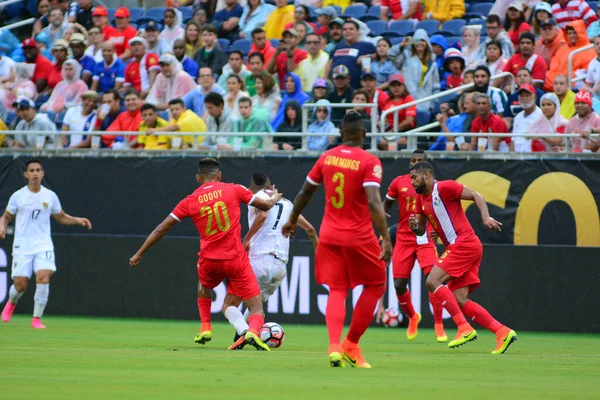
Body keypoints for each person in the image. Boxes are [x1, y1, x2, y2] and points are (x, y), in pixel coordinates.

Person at [129, 158, 282, 350]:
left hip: (209, 260)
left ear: (198, 178)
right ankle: (252, 331)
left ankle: (205, 327)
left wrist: (140, 253)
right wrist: (274, 198)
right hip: (236, 259)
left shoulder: (190, 200)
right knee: (256, 306)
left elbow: (161, 228)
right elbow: (265, 206)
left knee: (203, 285)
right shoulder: (234, 189)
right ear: (219, 175)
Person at [282, 111, 392, 368]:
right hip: (359, 236)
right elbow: (375, 203)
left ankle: (333, 347)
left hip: (330, 234)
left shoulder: (327, 158)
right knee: (376, 284)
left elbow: (304, 192)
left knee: (338, 289)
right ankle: (350, 344)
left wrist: (292, 218)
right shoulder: (369, 161)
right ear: (364, 134)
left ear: (341, 133)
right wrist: (386, 237)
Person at [408, 161, 517, 354]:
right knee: (459, 299)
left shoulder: (445, 187)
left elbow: (477, 195)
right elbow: (421, 231)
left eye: (414, 177)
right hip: (464, 247)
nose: (412, 182)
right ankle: (502, 332)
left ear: (426, 175)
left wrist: (485, 217)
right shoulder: (420, 200)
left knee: (432, 281)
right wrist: (415, 227)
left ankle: (464, 328)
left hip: (464, 243)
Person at [227, 173, 318, 349]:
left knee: (229, 305)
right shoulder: (289, 205)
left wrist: (247, 238)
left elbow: (261, 216)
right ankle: (243, 335)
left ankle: (244, 332)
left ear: (251, 188)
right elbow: (311, 230)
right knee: (256, 306)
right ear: (271, 186)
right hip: (280, 266)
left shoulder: (257, 197)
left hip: (259, 259)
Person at [0, 160, 92, 328]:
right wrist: (2, 226)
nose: (35, 173)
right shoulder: (18, 196)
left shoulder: (49, 196)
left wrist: (77, 220)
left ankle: (36, 319)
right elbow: (6, 216)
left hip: (43, 245)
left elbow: (60, 216)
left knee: (43, 277)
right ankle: (11, 303)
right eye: (31, 170)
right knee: (20, 284)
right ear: (26, 174)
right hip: (23, 245)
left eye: (38, 170)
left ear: (42, 174)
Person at [381, 150, 447, 341]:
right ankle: (412, 317)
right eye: (413, 161)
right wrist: (381, 218)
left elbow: (443, 211)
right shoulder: (398, 182)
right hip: (403, 239)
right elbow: (385, 206)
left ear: (426, 168)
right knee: (399, 284)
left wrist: (437, 228)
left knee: (433, 281)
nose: (415, 164)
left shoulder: (435, 187)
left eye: (420, 162)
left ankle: (438, 325)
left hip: (425, 239)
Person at [388, 29, 440, 113]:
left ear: (427, 43)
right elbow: (390, 54)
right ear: (413, 42)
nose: (420, 43)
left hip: (424, 102)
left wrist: (432, 104)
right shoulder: (406, 56)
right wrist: (401, 45)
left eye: (423, 40)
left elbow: (436, 86)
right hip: (406, 100)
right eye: (417, 40)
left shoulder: (432, 62)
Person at [325, 19, 376, 91]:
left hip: (355, 89)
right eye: (345, 29)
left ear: (358, 31)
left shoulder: (366, 45)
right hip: (335, 88)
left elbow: (378, 54)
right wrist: (324, 79)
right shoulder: (338, 46)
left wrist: (369, 57)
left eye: (351, 29)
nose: (347, 31)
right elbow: (330, 62)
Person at [381, 74, 416, 148]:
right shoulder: (387, 101)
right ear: (390, 88)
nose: (396, 88)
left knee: (396, 142)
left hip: (404, 131)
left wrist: (393, 130)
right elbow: (385, 119)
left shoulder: (409, 99)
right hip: (388, 131)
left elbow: (409, 121)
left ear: (404, 86)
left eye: (399, 85)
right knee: (381, 141)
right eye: (393, 85)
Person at [512, 84, 543, 152]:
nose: (524, 98)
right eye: (522, 96)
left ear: (534, 97)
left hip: (534, 157)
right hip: (517, 157)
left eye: (527, 95)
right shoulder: (518, 117)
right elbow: (513, 140)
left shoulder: (541, 115)